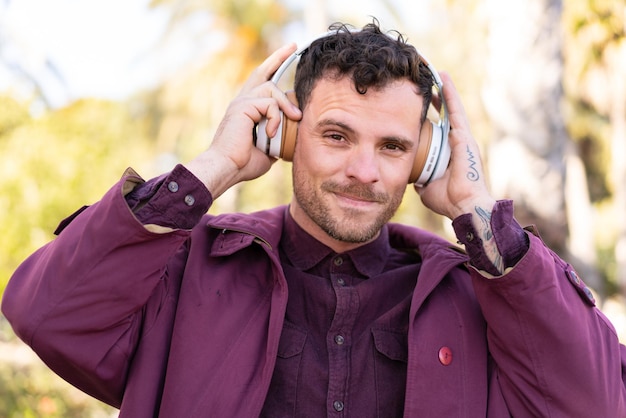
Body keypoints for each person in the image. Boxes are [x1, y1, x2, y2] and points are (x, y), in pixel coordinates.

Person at [2, 20, 625, 418]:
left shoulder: (479, 297)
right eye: (336, 135)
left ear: (422, 160)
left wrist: (481, 216)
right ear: (286, 134)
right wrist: (213, 168)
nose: (364, 169)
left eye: (392, 147)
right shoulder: (182, 269)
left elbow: (598, 404)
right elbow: (48, 314)